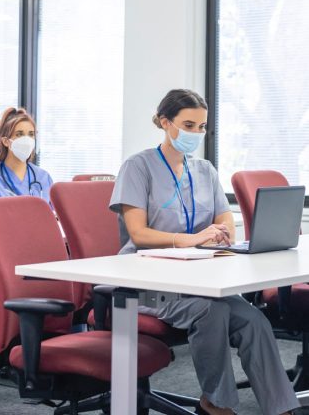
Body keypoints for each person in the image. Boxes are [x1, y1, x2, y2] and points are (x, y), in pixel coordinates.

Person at [109, 89, 299, 415]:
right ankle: (216, 403)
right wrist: (189, 239)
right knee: (213, 311)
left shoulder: (205, 170)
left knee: (254, 320)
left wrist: (222, 234)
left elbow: (225, 220)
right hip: (149, 282)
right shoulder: (137, 167)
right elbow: (138, 233)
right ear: (165, 122)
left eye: (201, 126)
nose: (196, 133)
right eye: (189, 124)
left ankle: (281, 407)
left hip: (198, 277)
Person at [0, 107, 53, 207]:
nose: (27, 140)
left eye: (31, 134)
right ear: (5, 141)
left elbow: (53, 215)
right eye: (19, 134)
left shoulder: (43, 177)